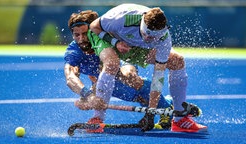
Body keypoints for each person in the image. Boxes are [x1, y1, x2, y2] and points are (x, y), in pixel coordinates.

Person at [89, 3, 207, 132]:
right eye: (148, 35)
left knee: (177, 61)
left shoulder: (164, 39)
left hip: (136, 47)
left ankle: (180, 119)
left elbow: (158, 76)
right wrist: (115, 43)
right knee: (112, 64)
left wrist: (151, 112)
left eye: (154, 37)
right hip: (110, 39)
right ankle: (97, 118)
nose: (151, 39)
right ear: (142, 24)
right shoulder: (121, 18)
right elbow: (94, 27)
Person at [64, 10, 173, 132]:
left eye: (84, 34)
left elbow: (124, 61)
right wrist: (87, 95)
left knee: (131, 78)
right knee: (85, 102)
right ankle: (167, 102)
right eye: (76, 35)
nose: (81, 39)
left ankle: (167, 108)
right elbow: (70, 77)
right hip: (107, 84)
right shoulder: (73, 51)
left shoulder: (104, 39)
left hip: (123, 63)